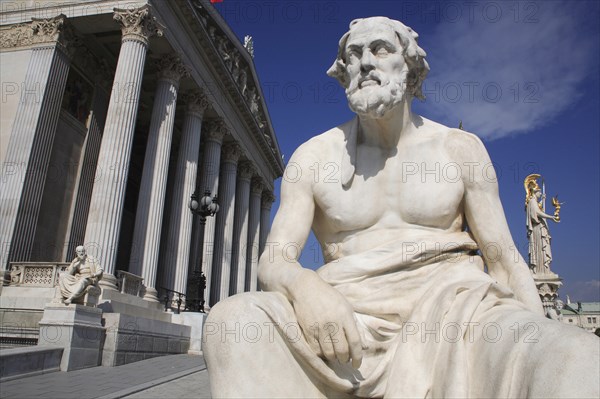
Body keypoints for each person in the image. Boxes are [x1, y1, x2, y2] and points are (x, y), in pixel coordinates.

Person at [204, 17, 599, 398]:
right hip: (347, 321)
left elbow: (503, 259)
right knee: (230, 322)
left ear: (410, 67)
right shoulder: (312, 157)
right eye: (354, 55)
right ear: (343, 72)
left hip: (458, 316)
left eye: (380, 49)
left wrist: (533, 331)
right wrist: (306, 287)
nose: (366, 63)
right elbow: (274, 260)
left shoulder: (460, 149)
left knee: (575, 356)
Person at [526, 187, 558, 275]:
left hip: (541, 227)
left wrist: (542, 200)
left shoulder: (534, 202)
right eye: (539, 192)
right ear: (535, 192)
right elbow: (537, 213)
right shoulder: (532, 201)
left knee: (543, 247)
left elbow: (538, 209)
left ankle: (545, 268)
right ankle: (541, 270)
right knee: (540, 248)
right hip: (538, 228)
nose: (540, 194)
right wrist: (550, 217)